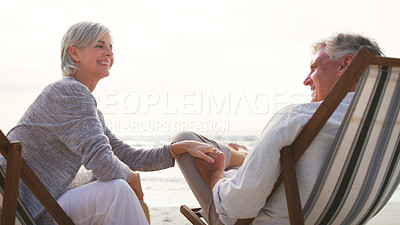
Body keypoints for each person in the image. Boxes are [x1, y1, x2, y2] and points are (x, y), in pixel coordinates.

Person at [0, 21, 244, 225]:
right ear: (75, 53)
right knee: (117, 190)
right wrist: (132, 178)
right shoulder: (69, 94)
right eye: (99, 46)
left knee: (117, 183)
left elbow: (127, 155)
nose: (109, 53)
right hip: (26, 210)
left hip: (40, 202)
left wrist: (177, 149)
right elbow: (104, 165)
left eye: (110, 47)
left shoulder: (82, 102)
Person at [174, 33, 383, 224]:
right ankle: (244, 157)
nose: (306, 80)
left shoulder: (297, 118)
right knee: (243, 165)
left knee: (184, 139)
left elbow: (238, 206)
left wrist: (215, 175)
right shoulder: (387, 127)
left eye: (314, 67)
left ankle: (241, 158)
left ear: (345, 65)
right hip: (333, 217)